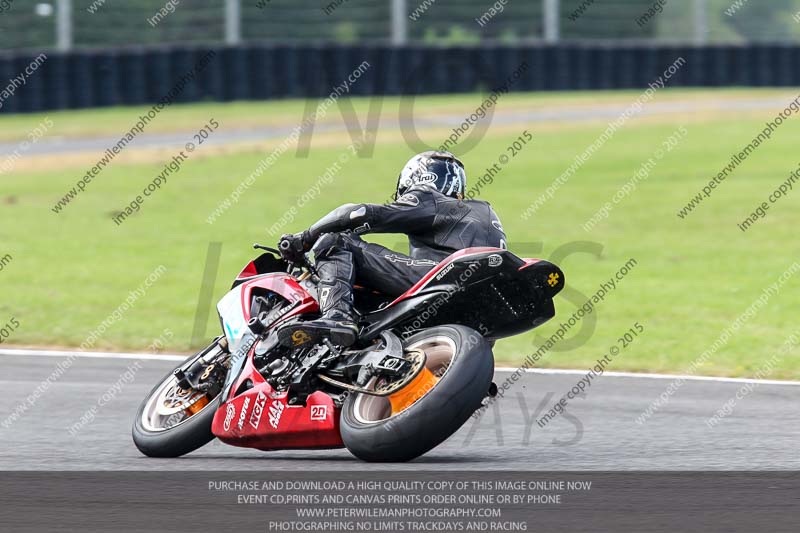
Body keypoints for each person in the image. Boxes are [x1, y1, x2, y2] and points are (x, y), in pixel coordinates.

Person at [277, 150, 506, 347]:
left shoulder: (430, 199)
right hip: (480, 313)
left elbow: (357, 213)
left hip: (444, 277)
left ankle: (337, 317)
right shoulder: (484, 213)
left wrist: (304, 239)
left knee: (336, 241)